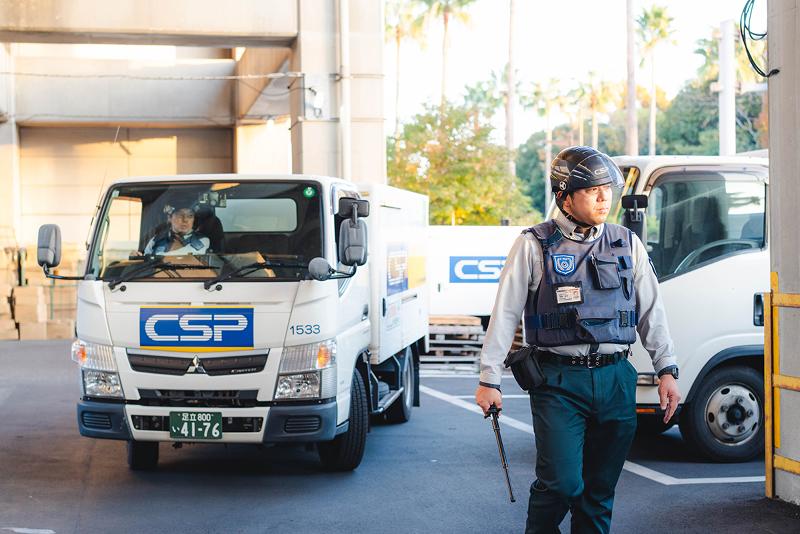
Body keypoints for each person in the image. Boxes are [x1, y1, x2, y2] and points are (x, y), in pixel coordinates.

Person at [474, 146, 681, 534]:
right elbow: (504, 313)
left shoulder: (627, 243)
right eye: (592, 190)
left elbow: (653, 312)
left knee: (599, 492)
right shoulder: (534, 244)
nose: (605, 198)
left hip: (616, 378)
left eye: (608, 189)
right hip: (557, 382)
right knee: (562, 483)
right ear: (564, 196)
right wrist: (489, 379)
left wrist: (667, 370)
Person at [142, 199, 210, 255]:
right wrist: (138, 257)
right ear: (169, 218)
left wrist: (155, 256)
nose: (185, 220)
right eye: (180, 215)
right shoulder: (156, 239)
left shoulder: (202, 240)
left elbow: (183, 256)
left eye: (190, 216)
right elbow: (146, 260)